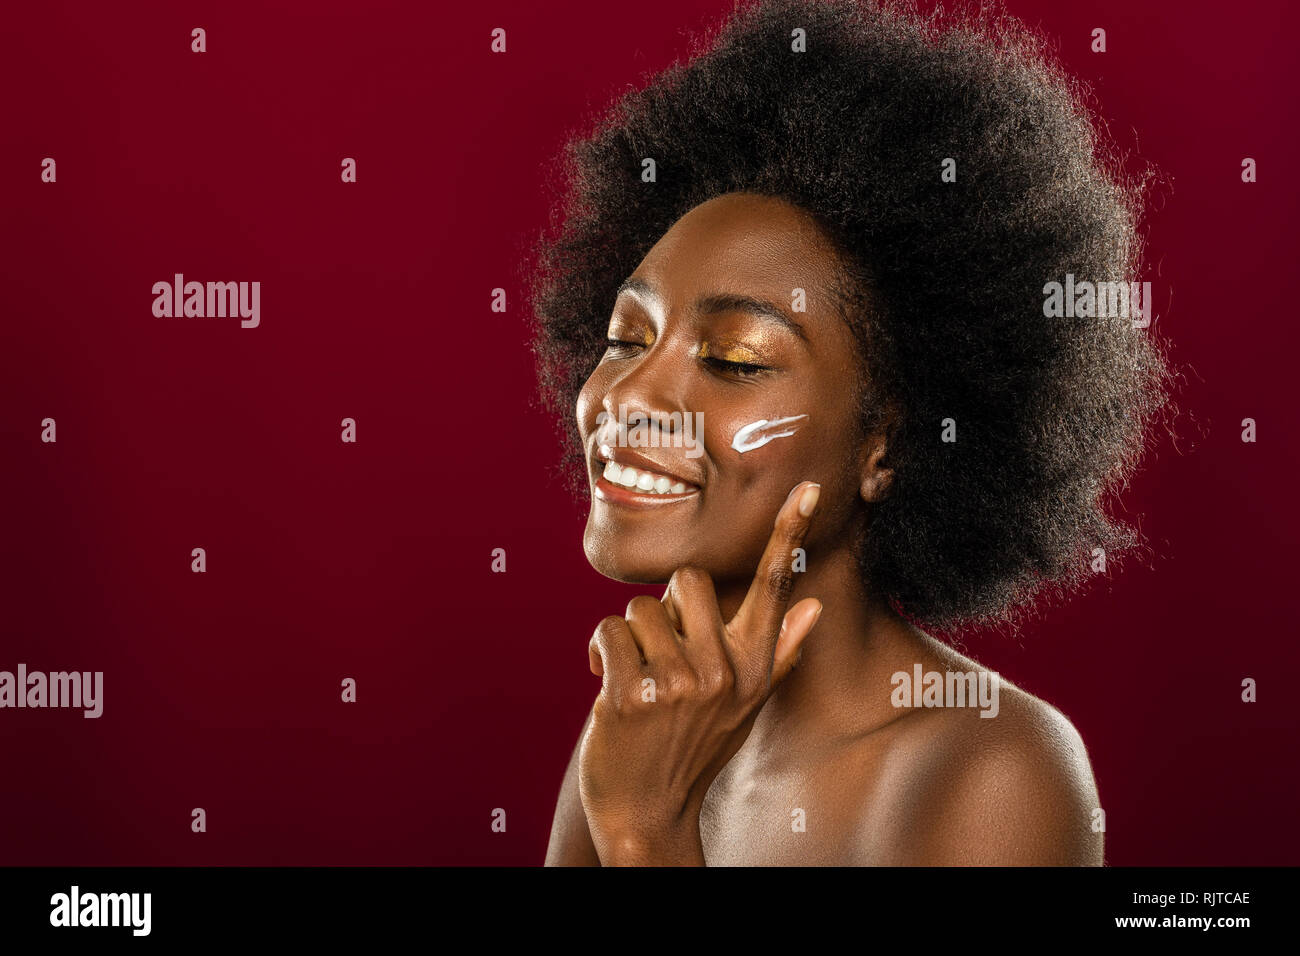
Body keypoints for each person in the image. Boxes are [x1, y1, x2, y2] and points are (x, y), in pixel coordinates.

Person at [526, 0, 1175, 865]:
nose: (628, 395)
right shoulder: (640, 732)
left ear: (887, 446)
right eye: (625, 339)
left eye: (735, 360)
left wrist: (648, 834)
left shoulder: (992, 771)